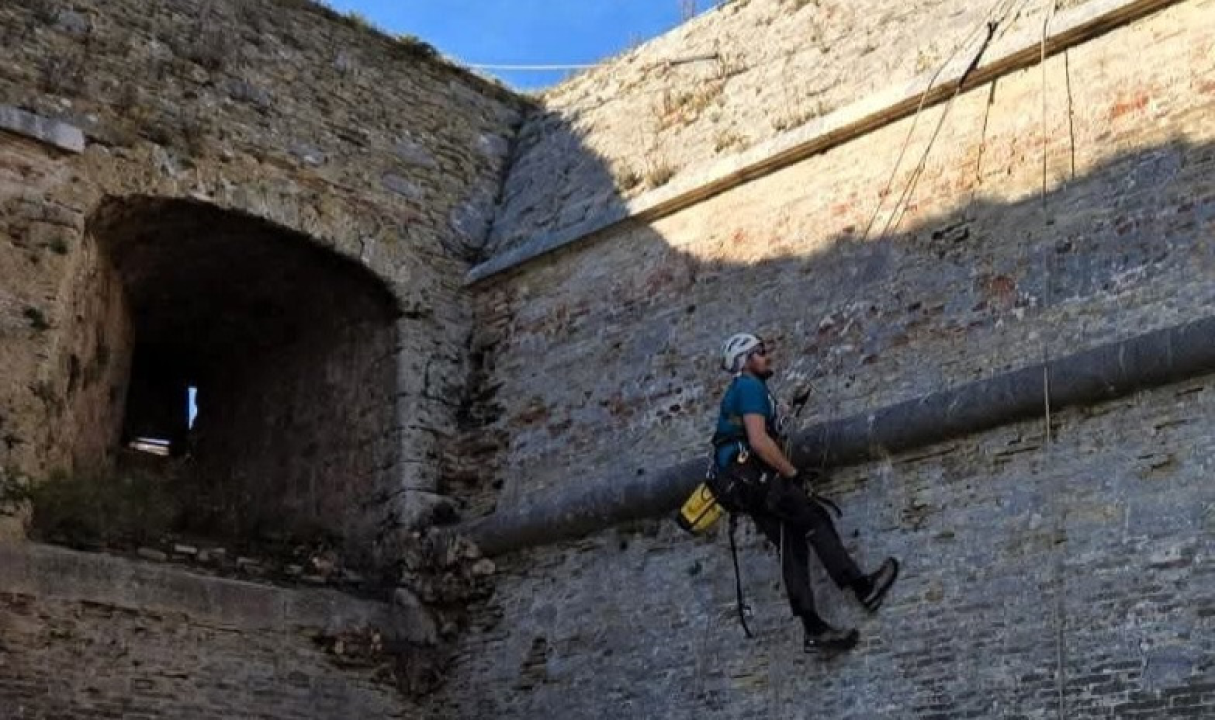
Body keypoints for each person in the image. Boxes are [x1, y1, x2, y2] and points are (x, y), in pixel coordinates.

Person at [709, 332, 899, 654]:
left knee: (792, 545)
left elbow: (763, 430)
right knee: (815, 518)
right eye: (760, 352)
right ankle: (863, 587)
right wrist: (792, 473)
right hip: (757, 478)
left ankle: (813, 629)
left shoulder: (745, 391)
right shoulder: (749, 387)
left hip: (743, 487)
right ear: (745, 360)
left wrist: (788, 409)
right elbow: (759, 441)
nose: (766, 356)